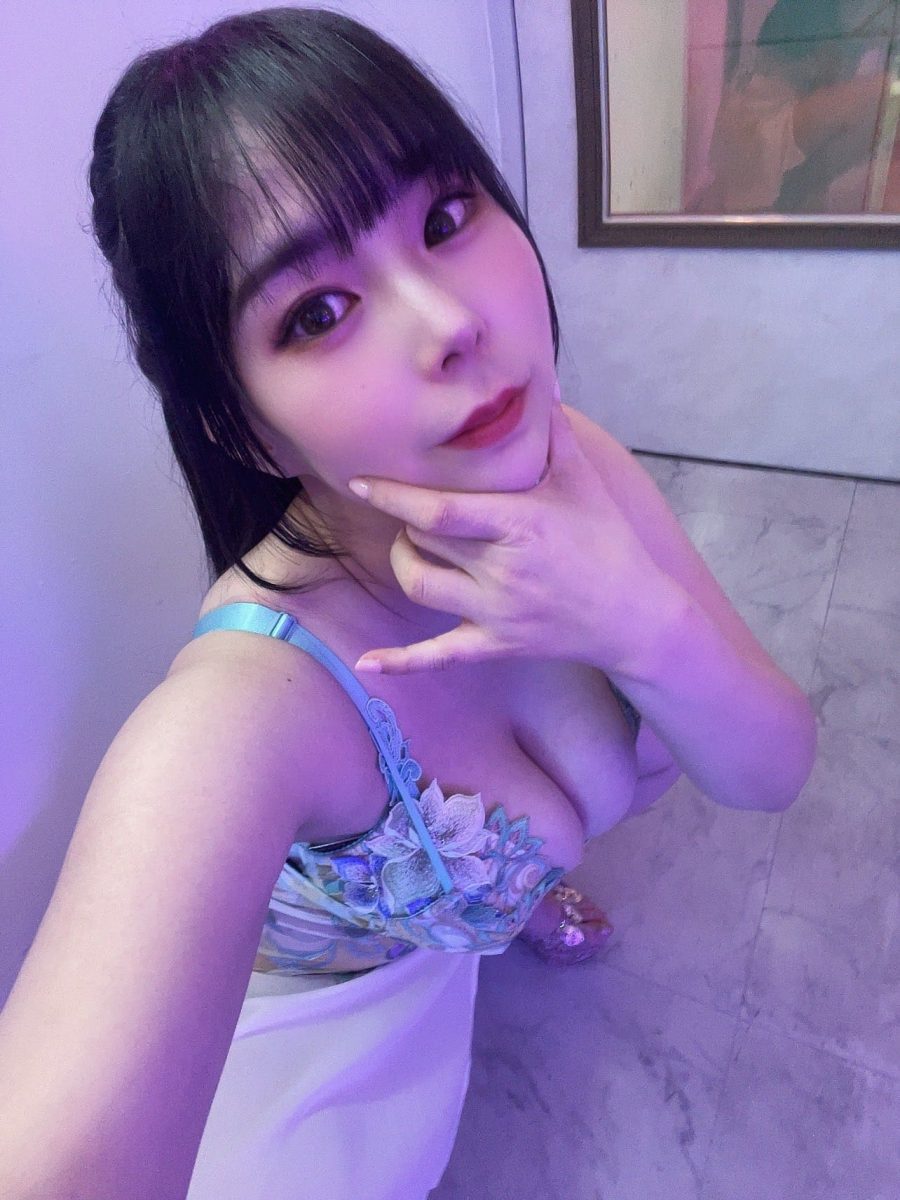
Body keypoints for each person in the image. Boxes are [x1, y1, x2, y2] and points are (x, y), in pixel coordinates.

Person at [0, 7, 817, 1198]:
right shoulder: (241, 716)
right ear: (244, 427)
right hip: (301, 1082)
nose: (453, 324)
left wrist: (634, 619)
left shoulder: (568, 461)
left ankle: (497, 904)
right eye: (318, 313)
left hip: (442, 973)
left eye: (444, 217)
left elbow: (772, 770)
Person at [693, 0, 891, 213]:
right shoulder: (757, 119)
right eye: (854, 54)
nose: (853, 69)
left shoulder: (750, 99)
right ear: (827, 54)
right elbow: (874, 96)